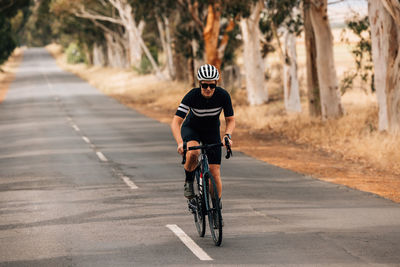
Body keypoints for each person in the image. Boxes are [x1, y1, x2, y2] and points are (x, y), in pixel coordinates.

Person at [170, 64, 235, 200]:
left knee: (214, 172)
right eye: (204, 86)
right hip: (192, 128)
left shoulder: (223, 96)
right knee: (194, 152)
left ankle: (217, 212)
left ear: (216, 84)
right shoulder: (192, 96)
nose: (208, 89)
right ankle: (189, 182)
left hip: (211, 131)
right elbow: (176, 122)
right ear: (199, 83)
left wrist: (227, 136)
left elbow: (230, 120)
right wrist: (180, 143)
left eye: (212, 86)